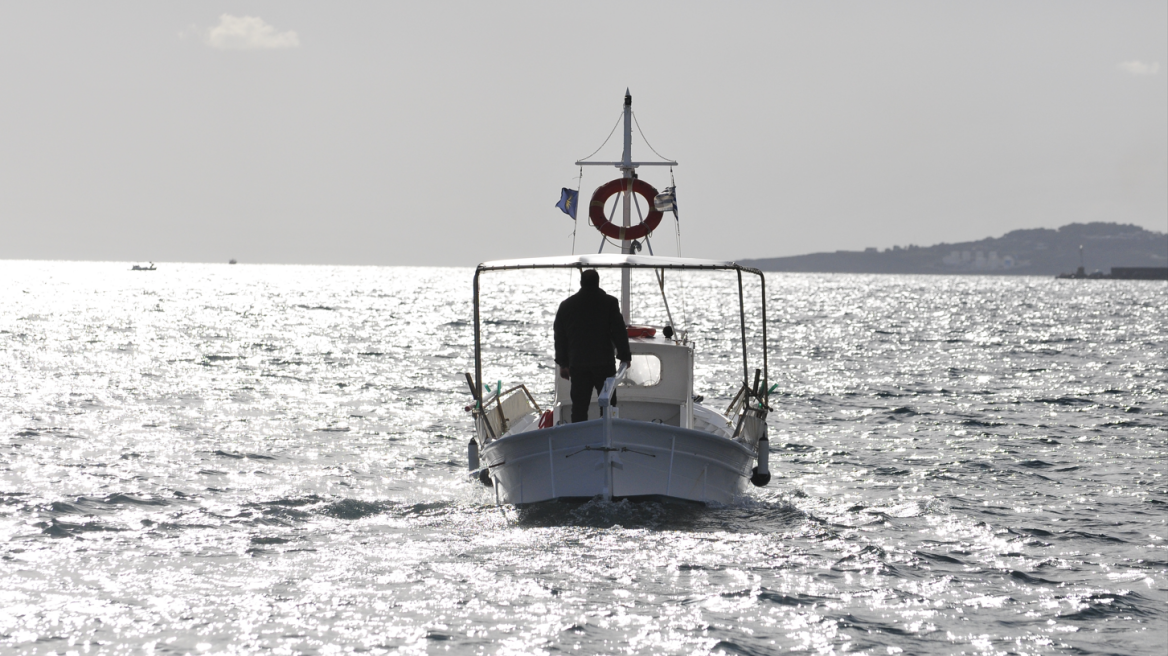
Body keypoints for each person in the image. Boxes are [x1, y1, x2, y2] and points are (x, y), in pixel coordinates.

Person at [554, 269, 632, 423]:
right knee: (608, 405)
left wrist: (563, 364)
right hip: (604, 363)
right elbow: (619, 331)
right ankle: (607, 432)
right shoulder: (609, 303)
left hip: (578, 364)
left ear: (581, 283)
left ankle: (579, 435)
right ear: (598, 282)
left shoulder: (566, 305)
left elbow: (560, 336)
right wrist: (625, 356)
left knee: (579, 408)